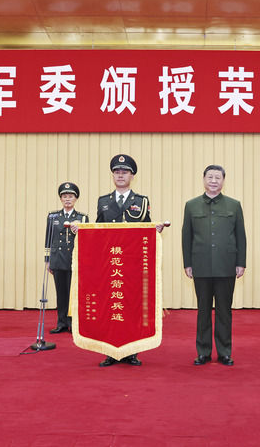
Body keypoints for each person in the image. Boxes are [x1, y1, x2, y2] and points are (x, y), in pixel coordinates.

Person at [96, 154, 164, 367]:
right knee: (111, 306)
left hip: (133, 264)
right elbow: (97, 231)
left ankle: (132, 351)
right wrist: (81, 232)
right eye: (117, 172)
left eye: (124, 172)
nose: (120, 175)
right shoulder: (103, 201)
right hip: (111, 263)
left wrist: (156, 230)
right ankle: (110, 351)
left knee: (132, 306)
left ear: (132, 176)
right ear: (112, 175)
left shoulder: (141, 201)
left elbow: (146, 228)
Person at [182, 164, 246, 366]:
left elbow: (241, 236)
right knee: (203, 311)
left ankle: (224, 352)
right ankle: (203, 352)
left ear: (223, 181)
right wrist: (187, 263)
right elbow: (186, 236)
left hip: (226, 265)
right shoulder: (191, 205)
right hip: (200, 265)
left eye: (218, 177)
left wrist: (241, 262)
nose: (213, 181)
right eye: (210, 177)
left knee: (224, 311)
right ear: (204, 179)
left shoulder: (234, 205)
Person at [45, 182, 88, 334]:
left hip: (73, 259)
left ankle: (73, 323)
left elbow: (87, 239)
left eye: (70, 196)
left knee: (73, 293)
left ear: (76, 199)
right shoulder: (53, 216)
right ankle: (61, 322)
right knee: (61, 293)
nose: (67, 199)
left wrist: (80, 230)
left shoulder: (82, 218)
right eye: (64, 196)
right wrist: (48, 259)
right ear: (61, 199)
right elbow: (48, 238)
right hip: (58, 259)